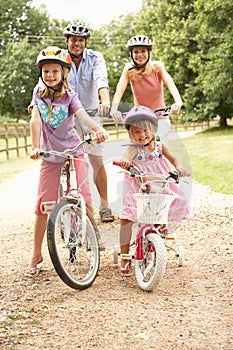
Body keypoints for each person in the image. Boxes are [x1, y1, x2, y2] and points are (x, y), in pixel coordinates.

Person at [25, 46, 108, 277]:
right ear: (41, 73)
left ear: (63, 73)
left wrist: (98, 129)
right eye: (46, 71)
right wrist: (35, 146)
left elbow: (83, 117)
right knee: (43, 205)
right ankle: (36, 253)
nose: (50, 75)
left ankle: (93, 233)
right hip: (50, 155)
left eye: (55, 71)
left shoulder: (71, 97)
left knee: (84, 194)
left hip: (73, 150)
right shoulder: (38, 94)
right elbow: (35, 120)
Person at [117, 106, 191, 276]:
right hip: (139, 186)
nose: (142, 135)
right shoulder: (134, 148)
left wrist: (179, 166)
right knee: (127, 218)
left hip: (159, 184)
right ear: (130, 133)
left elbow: (174, 158)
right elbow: (126, 156)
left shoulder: (159, 145)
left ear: (153, 130)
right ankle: (125, 255)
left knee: (165, 203)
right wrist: (125, 162)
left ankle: (160, 230)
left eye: (145, 130)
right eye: (136, 132)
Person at [63, 22, 114, 223]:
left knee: (96, 160)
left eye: (81, 40)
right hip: (66, 117)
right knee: (66, 159)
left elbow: (101, 79)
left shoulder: (95, 57)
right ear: (66, 41)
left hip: (91, 116)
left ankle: (104, 204)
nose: (77, 43)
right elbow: (47, 78)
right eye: (74, 40)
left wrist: (105, 101)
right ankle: (65, 202)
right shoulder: (59, 57)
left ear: (85, 42)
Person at [110, 35, 183, 142]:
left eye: (143, 51)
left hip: (160, 116)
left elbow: (171, 84)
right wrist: (114, 109)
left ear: (149, 53)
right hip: (140, 117)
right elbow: (119, 90)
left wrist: (178, 102)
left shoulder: (157, 67)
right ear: (131, 54)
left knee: (158, 143)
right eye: (136, 52)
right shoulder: (129, 70)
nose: (139, 55)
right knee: (135, 147)